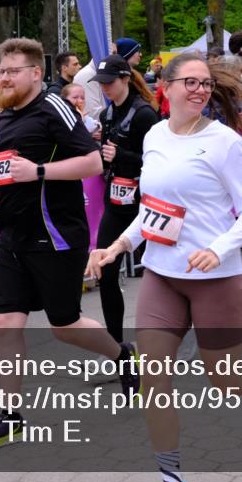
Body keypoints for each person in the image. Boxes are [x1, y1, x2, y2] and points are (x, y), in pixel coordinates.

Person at [86, 51, 242, 482]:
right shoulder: (154, 135)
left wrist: (217, 249)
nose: (199, 90)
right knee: (154, 379)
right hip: (162, 275)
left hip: (216, 280)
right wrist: (117, 245)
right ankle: (171, 480)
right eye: (190, 82)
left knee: (228, 380)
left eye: (205, 84)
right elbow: (152, 210)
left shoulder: (224, 141)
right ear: (167, 88)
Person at [0, 38, 138, 450]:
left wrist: (39, 171)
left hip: (56, 236)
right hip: (11, 236)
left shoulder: (54, 107)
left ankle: (123, 355)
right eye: (0, 71)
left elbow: (93, 162)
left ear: (35, 73)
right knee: (7, 323)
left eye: (12, 71)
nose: (3, 78)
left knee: (64, 327)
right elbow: (12, 167)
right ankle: (9, 416)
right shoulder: (5, 115)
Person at [92, 56, 160, 342]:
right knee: (105, 270)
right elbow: (106, 160)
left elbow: (156, 162)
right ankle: (116, 347)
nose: (105, 87)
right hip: (117, 202)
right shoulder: (106, 115)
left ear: (125, 79)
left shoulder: (144, 114)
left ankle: (170, 338)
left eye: (110, 82)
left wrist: (121, 156)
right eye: (102, 83)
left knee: (160, 274)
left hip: (146, 202)